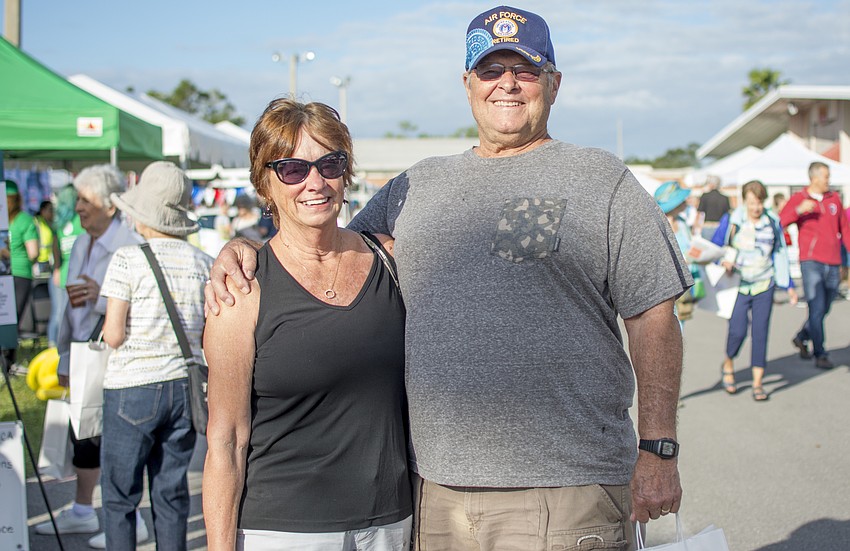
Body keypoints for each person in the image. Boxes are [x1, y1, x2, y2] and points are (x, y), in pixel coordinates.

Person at [207, 7, 690, 549]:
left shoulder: (602, 181)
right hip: (435, 496)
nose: (507, 83)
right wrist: (243, 248)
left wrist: (658, 449)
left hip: (567, 488)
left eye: (525, 70)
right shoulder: (417, 185)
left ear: (553, 83)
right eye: (489, 70)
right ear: (467, 84)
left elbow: (654, 316)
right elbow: (321, 240)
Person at [202, 99, 411, 550]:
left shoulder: (390, 260)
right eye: (293, 169)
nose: (315, 182)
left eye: (329, 164)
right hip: (282, 530)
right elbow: (226, 441)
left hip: (390, 525)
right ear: (265, 184)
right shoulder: (243, 287)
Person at [35, 165, 149, 547]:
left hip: (119, 357)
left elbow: (143, 304)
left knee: (117, 438)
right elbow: (70, 306)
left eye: (87, 200)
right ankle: (84, 511)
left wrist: (102, 295)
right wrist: (63, 357)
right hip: (83, 353)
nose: (78, 207)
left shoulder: (129, 245)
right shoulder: (81, 243)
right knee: (84, 433)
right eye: (79, 199)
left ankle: (132, 520)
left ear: (111, 207)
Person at [100, 161, 211, 550]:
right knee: (171, 493)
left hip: (132, 386)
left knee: (119, 497)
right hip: (184, 388)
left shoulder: (127, 260)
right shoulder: (204, 264)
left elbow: (113, 335)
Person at [718, 181, 797, 400]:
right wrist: (723, 262)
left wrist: (788, 285)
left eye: (759, 202)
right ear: (745, 201)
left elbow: (780, 254)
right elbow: (717, 247)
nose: (756, 207)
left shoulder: (772, 221)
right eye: (752, 203)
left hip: (765, 283)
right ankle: (728, 363)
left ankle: (757, 382)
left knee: (761, 332)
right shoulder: (733, 220)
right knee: (737, 331)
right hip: (738, 285)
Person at [780, 161, 850, 369]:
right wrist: (799, 211)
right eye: (826, 176)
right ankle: (820, 353)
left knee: (824, 307)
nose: (829, 180)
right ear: (814, 178)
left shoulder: (834, 199)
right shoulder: (799, 199)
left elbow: (845, 230)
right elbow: (780, 221)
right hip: (811, 262)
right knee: (816, 306)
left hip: (833, 261)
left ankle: (802, 336)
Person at [1, 180, 39, 371]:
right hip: (20, 275)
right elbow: (33, 252)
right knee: (13, 319)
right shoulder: (24, 220)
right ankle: (8, 363)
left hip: (3, 274)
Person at [654, 180, 697, 328]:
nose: (685, 201)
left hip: (684, 280)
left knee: (681, 320)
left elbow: (690, 245)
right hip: (667, 283)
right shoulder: (658, 225)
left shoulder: (682, 222)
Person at [34, 200, 63, 345]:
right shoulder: (38, 223)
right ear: (43, 210)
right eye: (50, 210)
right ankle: (52, 342)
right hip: (40, 265)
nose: (52, 213)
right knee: (57, 312)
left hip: (48, 266)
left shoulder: (52, 225)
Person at [697, 174, 730, 240]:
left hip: (707, 226)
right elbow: (727, 214)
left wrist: (697, 227)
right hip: (720, 227)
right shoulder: (725, 198)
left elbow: (699, 213)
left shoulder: (705, 196)